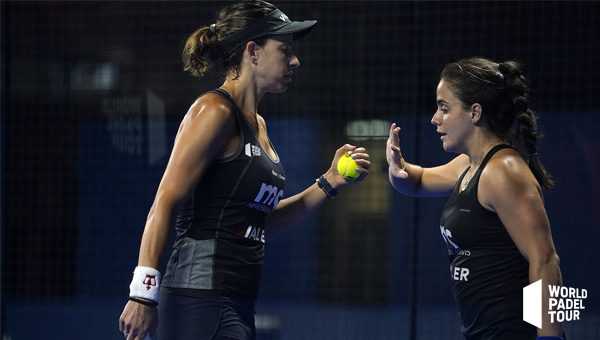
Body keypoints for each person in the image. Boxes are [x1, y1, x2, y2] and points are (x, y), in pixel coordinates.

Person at [118, 1, 371, 339]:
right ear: (252, 51)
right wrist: (142, 294)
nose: (295, 60)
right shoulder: (213, 110)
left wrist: (328, 183)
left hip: (237, 303)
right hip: (198, 303)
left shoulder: (259, 126)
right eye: (285, 50)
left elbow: (257, 221)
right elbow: (164, 203)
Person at [386, 57, 564, 340]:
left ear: (474, 112)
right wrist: (396, 167)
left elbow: (545, 260)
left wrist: (549, 337)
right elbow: (414, 182)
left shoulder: (504, 171)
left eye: (444, 108)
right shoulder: (470, 166)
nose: (435, 118)